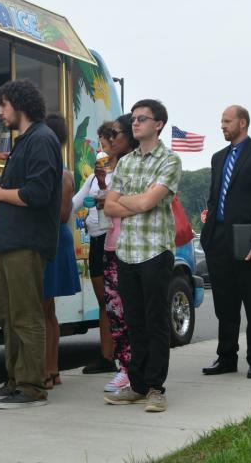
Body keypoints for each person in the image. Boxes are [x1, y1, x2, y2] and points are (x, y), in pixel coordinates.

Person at [0, 79, 62, 410]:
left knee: (26, 316)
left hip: (27, 244)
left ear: (20, 104)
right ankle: (14, 382)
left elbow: (38, 194)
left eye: (3, 105)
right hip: (7, 243)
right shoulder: (23, 142)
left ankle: (31, 387)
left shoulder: (42, 139)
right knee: (7, 316)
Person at [101, 99, 182, 413]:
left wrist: (133, 202)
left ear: (158, 124)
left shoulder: (169, 160)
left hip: (155, 251)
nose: (135, 124)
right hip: (127, 251)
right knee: (133, 322)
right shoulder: (126, 162)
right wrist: (139, 202)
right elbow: (110, 206)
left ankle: (155, 388)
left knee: (156, 321)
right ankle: (136, 385)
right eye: (133, 119)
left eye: (142, 119)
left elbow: (150, 202)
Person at [200, 105, 251, 380]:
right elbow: (213, 197)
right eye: (221, 120)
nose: (222, 125)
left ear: (242, 123)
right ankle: (226, 357)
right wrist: (207, 235)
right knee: (225, 303)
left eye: (226, 121)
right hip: (218, 238)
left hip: (247, 238)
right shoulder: (218, 158)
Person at [97, 115, 140, 393]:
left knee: (134, 313)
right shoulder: (116, 167)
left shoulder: (135, 165)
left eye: (115, 135)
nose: (110, 141)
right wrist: (106, 192)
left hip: (134, 248)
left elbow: (137, 203)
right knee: (115, 312)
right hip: (111, 245)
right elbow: (110, 204)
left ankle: (136, 370)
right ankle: (124, 368)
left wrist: (112, 201)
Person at [72, 121, 117, 376]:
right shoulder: (92, 176)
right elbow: (75, 202)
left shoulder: (117, 173)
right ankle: (106, 356)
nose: (101, 149)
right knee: (103, 301)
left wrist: (102, 187)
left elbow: (111, 202)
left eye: (105, 143)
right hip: (95, 241)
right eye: (99, 143)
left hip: (112, 240)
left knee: (114, 300)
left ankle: (120, 353)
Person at [42, 114, 80, 389]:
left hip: (52, 240)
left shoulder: (62, 174)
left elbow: (63, 213)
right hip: (53, 239)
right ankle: (52, 370)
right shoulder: (59, 170)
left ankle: (49, 370)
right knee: (48, 310)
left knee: (44, 310)